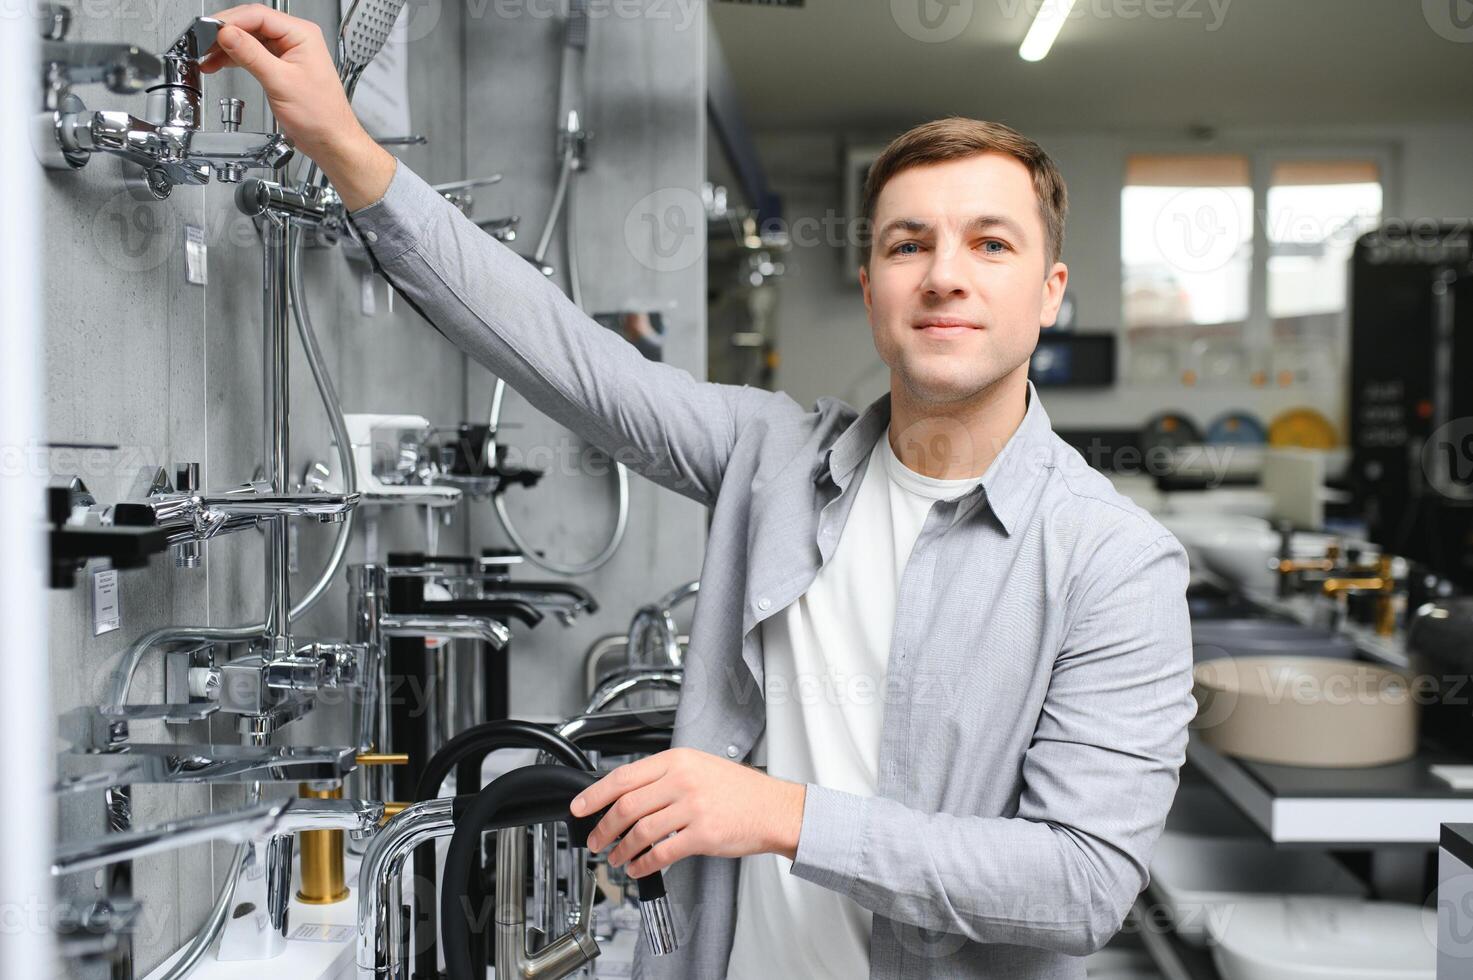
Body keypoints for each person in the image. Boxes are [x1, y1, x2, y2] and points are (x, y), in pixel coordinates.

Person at [204, 7, 1195, 977]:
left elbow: (1080, 881)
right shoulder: (768, 455)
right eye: (908, 244)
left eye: (990, 243)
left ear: (1052, 289)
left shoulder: (1113, 561)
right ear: (870, 284)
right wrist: (340, 140)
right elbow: (556, 350)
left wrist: (781, 812)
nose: (944, 275)